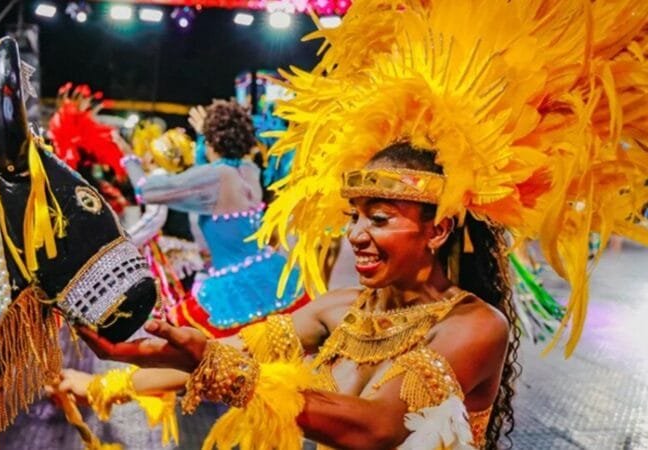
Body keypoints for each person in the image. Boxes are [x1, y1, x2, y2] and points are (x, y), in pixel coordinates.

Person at [52, 1, 648, 449]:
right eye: (354, 218)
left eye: (380, 218)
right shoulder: (338, 310)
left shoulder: (475, 326)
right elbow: (225, 354)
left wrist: (210, 362)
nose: (357, 234)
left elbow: (379, 427)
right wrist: (124, 364)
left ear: (437, 230)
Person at [117, 99, 305, 338]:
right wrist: (207, 135)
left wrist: (129, 158)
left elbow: (146, 190)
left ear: (212, 141)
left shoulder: (214, 177)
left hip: (234, 286)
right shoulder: (249, 170)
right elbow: (205, 170)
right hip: (269, 273)